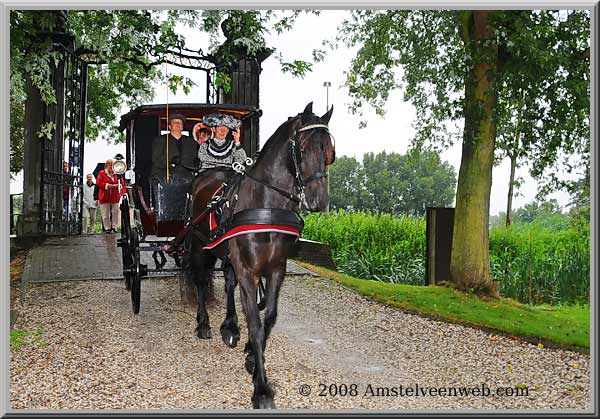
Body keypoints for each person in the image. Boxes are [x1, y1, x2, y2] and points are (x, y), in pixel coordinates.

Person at [151, 113, 198, 183]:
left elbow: (194, 159)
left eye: (180, 123)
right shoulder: (160, 140)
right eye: (175, 122)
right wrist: (171, 160)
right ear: (170, 126)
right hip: (164, 175)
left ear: (182, 127)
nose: (178, 124)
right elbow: (156, 160)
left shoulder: (191, 142)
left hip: (186, 176)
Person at [96, 159, 126, 233]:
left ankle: (114, 227)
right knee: (105, 214)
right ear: (106, 166)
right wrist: (108, 185)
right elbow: (98, 183)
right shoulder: (101, 173)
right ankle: (107, 228)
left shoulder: (117, 174)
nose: (111, 168)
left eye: (113, 166)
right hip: (104, 196)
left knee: (115, 212)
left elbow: (122, 183)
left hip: (115, 196)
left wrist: (119, 187)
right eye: (110, 166)